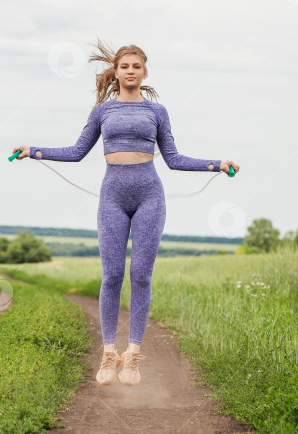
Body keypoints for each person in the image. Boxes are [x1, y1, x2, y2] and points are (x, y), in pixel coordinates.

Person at [13, 38, 239, 386]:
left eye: (136, 66)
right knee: (112, 275)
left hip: (150, 195)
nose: (130, 71)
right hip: (112, 198)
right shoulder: (103, 111)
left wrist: (217, 164)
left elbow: (175, 160)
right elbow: (76, 152)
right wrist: (34, 150)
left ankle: (132, 356)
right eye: (124, 66)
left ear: (144, 71)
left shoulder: (157, 112)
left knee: (142, 276)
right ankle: (108, 353)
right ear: (115, 72)